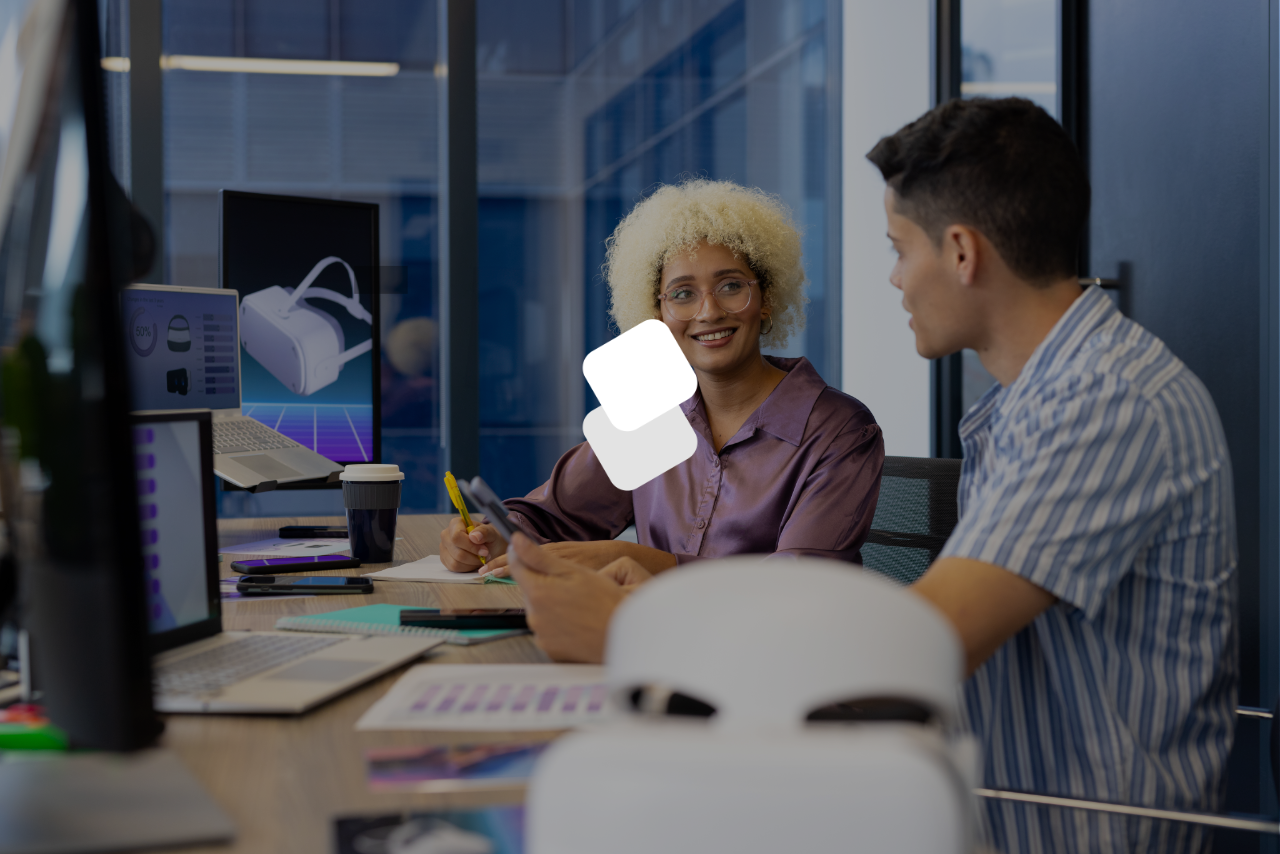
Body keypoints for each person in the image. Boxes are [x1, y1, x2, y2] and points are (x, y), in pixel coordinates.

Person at [505, 99, 1239, 854]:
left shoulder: (1098, 406)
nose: (893, 279)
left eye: (899, 249)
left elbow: (919, 646)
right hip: (967, 798)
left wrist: (630, 631)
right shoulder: (1032, 403)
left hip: (1058, 831)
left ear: (961, 253)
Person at [439, 179, 883, 577]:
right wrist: (490, 538)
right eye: (683, 294)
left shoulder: (838, 430)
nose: (708, 312)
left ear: (765, 299)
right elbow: (547, 518)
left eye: (731, 286)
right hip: (645, 647)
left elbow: (799, 586)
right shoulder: (651, 410)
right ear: (658, 314)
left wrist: (646, 564)